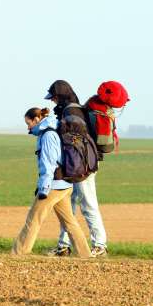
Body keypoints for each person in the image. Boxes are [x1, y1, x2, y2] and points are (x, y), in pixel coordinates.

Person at [11, 107, 91, 258]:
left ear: (36, 119)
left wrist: (44, 188)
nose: (28, 127)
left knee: (33, 219)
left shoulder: (47, 135)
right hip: (65, 185)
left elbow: (49, 164)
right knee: (69, 222)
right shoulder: (54, 129)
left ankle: (18, 254)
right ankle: (85, 255)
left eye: (28, 123)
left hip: (53, 186)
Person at [44, 80, 108, 257]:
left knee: (88, 205)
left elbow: (75, 144)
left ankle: (100, 245)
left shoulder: (71, 111)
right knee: (68, 207)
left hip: (81, 167)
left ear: (61, 96)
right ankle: (64, 246)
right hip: (75, 167)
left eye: (54, 97)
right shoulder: (72, 109)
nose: (52, 101)